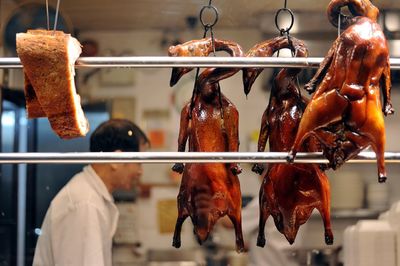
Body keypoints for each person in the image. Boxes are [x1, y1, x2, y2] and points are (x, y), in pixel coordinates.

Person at [33, 119, 149, 266]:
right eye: (138, 162)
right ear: (116, 159)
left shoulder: (91, 196)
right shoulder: (85, 204)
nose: (140, 171)